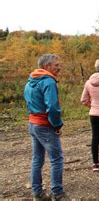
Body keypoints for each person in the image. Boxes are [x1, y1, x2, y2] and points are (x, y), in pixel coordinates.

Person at [24, 54, 66, 200]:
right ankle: (58, 194)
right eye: (56, 65)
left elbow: (29, 103)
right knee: (57, 159)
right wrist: (57, 125)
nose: (58, 67)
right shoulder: (48, 82)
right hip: (44, 125)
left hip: (33, 124)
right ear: (47, 66)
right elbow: (53, 108)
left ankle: (37, 193)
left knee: (37, 159)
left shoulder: (30, 81)